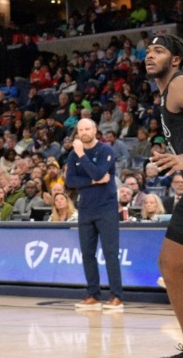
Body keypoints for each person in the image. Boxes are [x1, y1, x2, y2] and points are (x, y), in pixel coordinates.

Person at [145, 34, 183, 357]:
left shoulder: (179, 85)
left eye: (159, 50)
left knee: (170, 263)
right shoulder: (164, 94)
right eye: (148, 50)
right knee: (170, 263)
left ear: (176, 60)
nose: (150, 54)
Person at [65, 118, 123, 311]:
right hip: (85, 209)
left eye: (87, 128)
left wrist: (82, 155)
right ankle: (93, 295)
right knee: (87, 254)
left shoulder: (106, 150)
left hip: (106, 207)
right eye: (80, 129)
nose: (84, 132)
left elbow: (99, 174)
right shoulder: (73, 156)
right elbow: (71, 181)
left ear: (95, 130)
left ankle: (116, 296)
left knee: (110, 253)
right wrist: (91, 182)